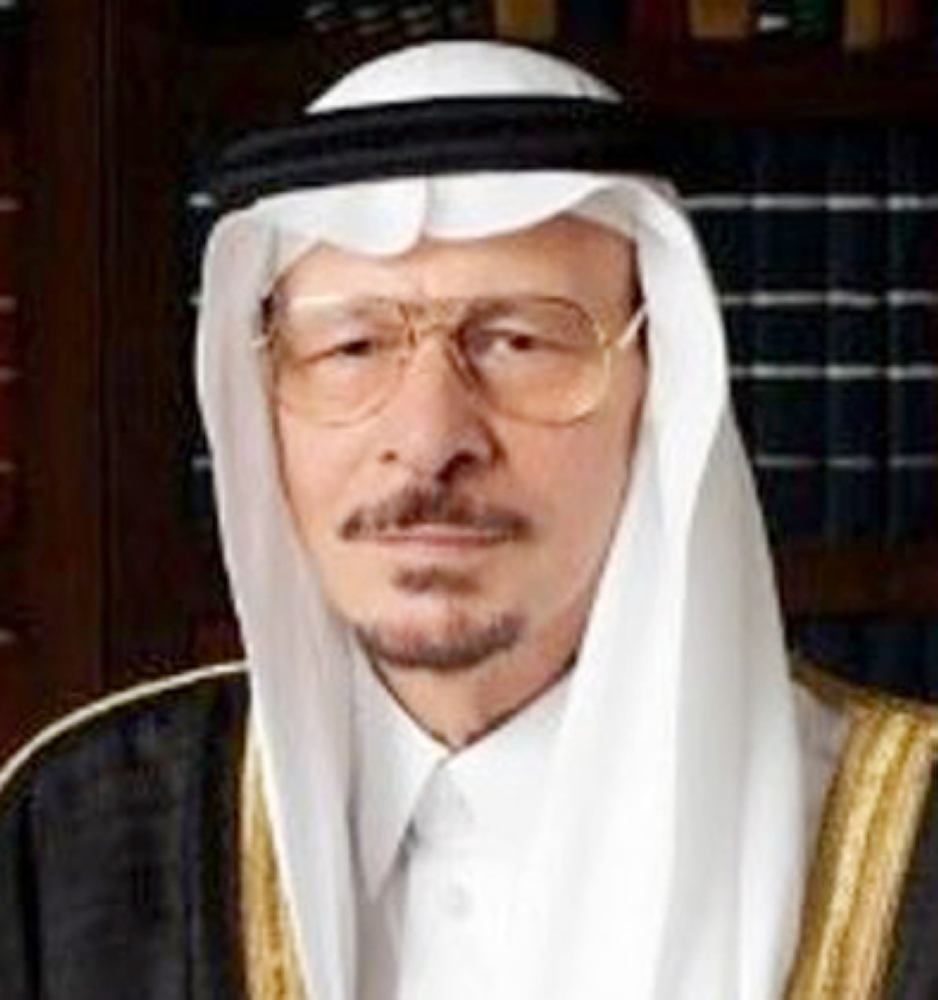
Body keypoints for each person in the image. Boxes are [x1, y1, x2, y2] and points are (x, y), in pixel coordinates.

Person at [1, 39, 936, 1000]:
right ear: (262, 400)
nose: (429, 438)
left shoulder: (917, 851)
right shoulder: (77, 842)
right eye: (352, 346)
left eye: (519, 341)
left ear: (661, 391)